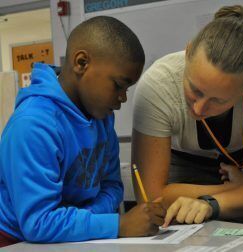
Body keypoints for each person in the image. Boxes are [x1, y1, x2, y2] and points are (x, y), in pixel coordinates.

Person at [0, 16, 166, 247]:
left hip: (74, 235)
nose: (123, 98)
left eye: (127, 89)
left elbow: (112, 186)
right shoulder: (33, 124)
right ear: (81, 63)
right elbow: (38, 223)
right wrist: (117, 225)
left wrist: (89, 218)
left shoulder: (101, 117)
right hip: (17, 241)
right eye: (118, 85)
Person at [131, 5, 243, 227]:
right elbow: (152, 198)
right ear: (188, 52)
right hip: (184, 162)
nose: (199, 109)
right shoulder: (158, 84)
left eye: (219, 100)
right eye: (195, 90)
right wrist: (237, 189)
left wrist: (213, 203)